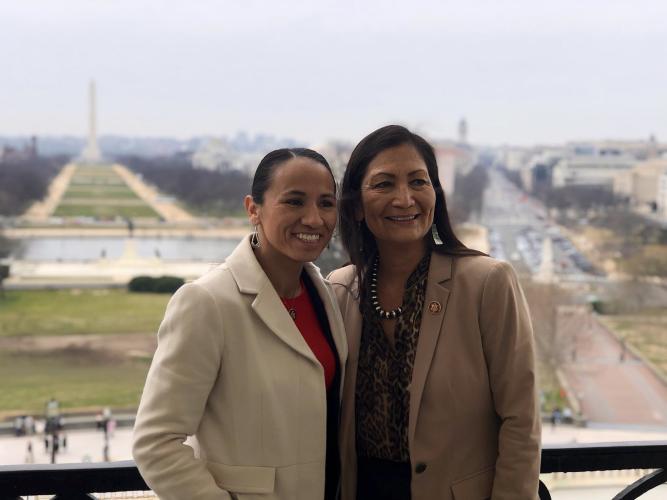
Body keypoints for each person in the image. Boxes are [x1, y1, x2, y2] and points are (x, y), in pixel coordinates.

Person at [328, 125, 541, 500]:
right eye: (384, 184)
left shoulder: (486, 283)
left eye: (418, 182)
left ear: (435, 195)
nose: (405, 198)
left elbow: (521, 418)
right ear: (357, 205)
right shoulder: (340, 290)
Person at [133, 148, 347, 500]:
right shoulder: (207, 302)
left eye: (326, 203)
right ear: (253, 209)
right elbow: (155, 443)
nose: (314, 219)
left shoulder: (323, 294)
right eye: (294, 202)